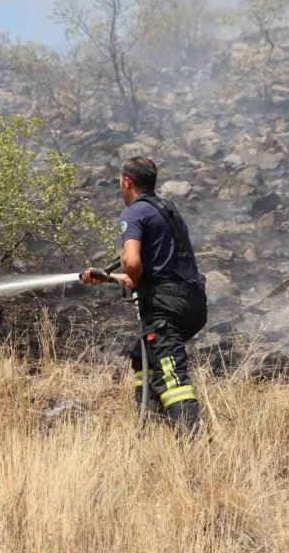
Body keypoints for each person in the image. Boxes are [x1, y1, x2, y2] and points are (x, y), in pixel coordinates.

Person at [81, 156, 207, 433]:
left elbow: (134, 265)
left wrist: (129, 272)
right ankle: (152, 424)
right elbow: (154, 272)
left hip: (164, 307)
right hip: (191, 303)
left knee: (171, 376)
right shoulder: (168, 210)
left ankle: (195, 442)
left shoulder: (134, 213)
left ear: (127, 181)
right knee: (143, 355)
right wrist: (108, 277)